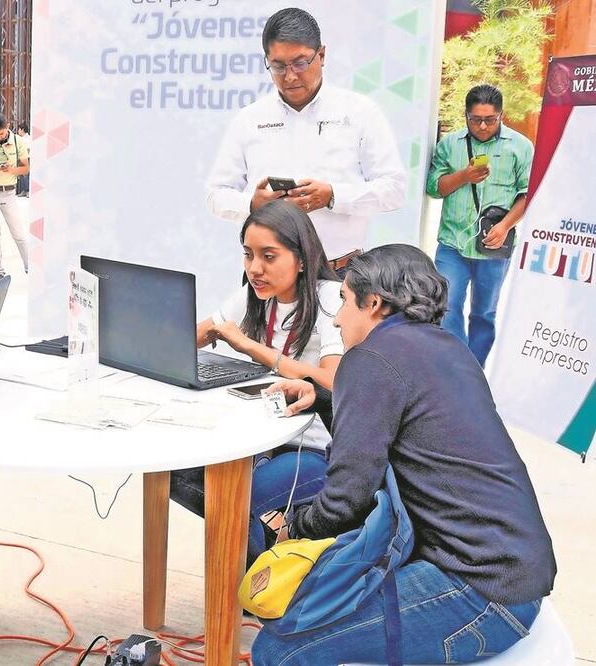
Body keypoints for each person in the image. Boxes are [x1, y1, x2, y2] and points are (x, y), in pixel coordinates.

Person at [252, 245, 555, 665]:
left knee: (278, 650)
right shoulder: (447, 348)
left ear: (373, 303)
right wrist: (324, 397)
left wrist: (290, 526)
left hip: (479, 592)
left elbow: (345, 500)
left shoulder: (370, 358)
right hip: (513, 576)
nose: (338, 318)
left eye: (343, 300)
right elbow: (394, 433)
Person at [169, 200, 343, 565]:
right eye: (248, 255)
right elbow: (205, 331)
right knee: (171, 473)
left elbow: (331, 380)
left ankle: (245, 590)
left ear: (302, 257)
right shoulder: (254, 293)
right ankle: (256, 570)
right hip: (259, 436)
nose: (254, 269)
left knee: (232, 497)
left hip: (312, 447)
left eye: (268, 256)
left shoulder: (330, 298)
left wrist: (250, 346)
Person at [206, 8, 405, 260]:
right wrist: (252, 205)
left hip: (340, 273)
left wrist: (333, 195)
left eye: (300, 63)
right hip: (268, 276)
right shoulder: (249, 119)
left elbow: (394, 190)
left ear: (321, 55)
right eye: (278, 66)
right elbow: (216, 195)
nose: (289, 76)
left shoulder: (360, 112)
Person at [427, 84, 532, 366]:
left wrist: (506, 226)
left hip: (494, 246)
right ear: (465, 116)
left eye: (490, 119)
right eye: (476, 120)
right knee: (446, 308)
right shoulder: (450, 144)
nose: (483, 126)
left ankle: (474, 372)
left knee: (484, 313)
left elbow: (527, 194)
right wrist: (464, 176)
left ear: (501, 115)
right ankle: (458, 367)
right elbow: (434, 188)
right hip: (453, 244)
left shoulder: (520, 147)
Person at [0, 112, 29, 280]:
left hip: (9, 193)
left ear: (7, 127)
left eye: (2, 133)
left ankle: (29, 267)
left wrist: (11, 169)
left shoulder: (19, 141)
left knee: (18, 234)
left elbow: (25, 168)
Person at [15, 120, 31, 197]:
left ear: (22, 130)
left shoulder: (28, 138)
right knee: (22, 175)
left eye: (19, 129)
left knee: (25, 175)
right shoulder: (21, 138)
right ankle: (23, 190)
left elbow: (28, 149)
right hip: (21, 158)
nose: (18, 131)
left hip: (26, 158)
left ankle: (28, 191)